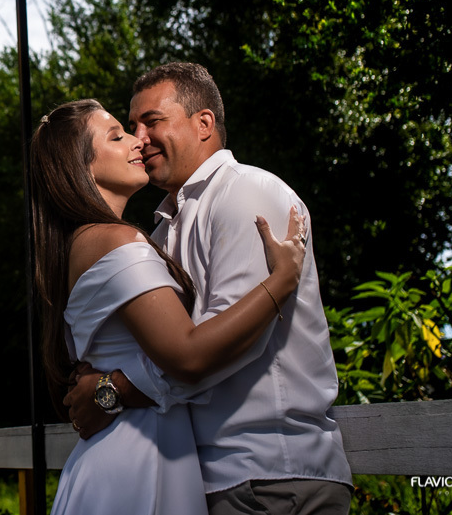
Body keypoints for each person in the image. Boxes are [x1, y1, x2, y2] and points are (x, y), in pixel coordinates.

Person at [65, 63, 353, 515]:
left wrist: (112, 390)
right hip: (205, 477)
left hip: (270, 473)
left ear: (204, 123)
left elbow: (217, 346)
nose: (140, 138)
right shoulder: (158, 235)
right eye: (132, 127)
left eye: (151, 121)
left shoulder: (248, 194)